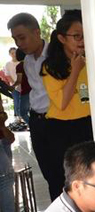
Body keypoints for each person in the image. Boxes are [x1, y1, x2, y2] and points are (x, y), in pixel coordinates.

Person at [41, 9, 94, 198]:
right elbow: (62, 102)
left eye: (84, 36)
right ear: (62, 39)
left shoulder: (89, 62)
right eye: (76, 36)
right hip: (61, 130)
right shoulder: (50, 67)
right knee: (65, 181)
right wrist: (75, 70)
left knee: (88, 179)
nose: (81, 41)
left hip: (86, 125)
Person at [7, 13, 55, 199]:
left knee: (63, 173)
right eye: (15, 39)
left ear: (36, 32)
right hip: (37, 121)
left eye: (22, 37)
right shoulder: (27, 61)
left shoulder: (55, 55)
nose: (19, 44)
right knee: (48, 173)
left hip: (56, 120)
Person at [5, 47, 21, 121]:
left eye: (15, 52)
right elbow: (7, 75)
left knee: (23, 103)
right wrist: (14, 84)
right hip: (13, 86)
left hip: (23, 86)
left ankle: (23, 117)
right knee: (16, 102)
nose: (14, 54)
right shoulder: (8, 64)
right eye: (12, 53)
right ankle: (18, 118)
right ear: (9, 54)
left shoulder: (21, 62)